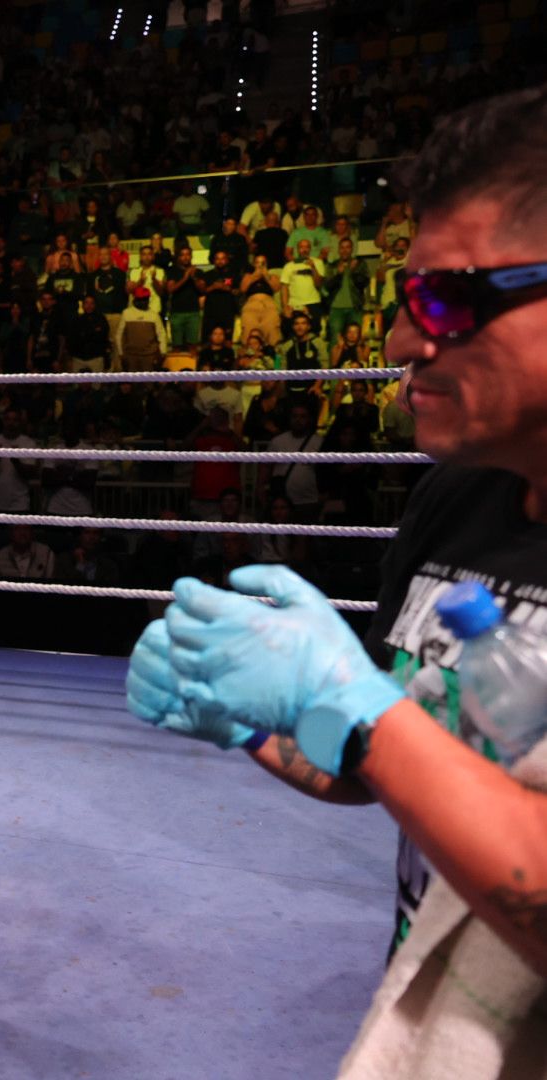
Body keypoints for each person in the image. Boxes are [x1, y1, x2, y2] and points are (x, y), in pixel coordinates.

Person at [127, 86, 547, 1076]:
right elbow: (389, 757)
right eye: (407, 304)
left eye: (448, 299)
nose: (403, 344)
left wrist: (359, 708)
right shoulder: (463, 504)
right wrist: (260, 722)